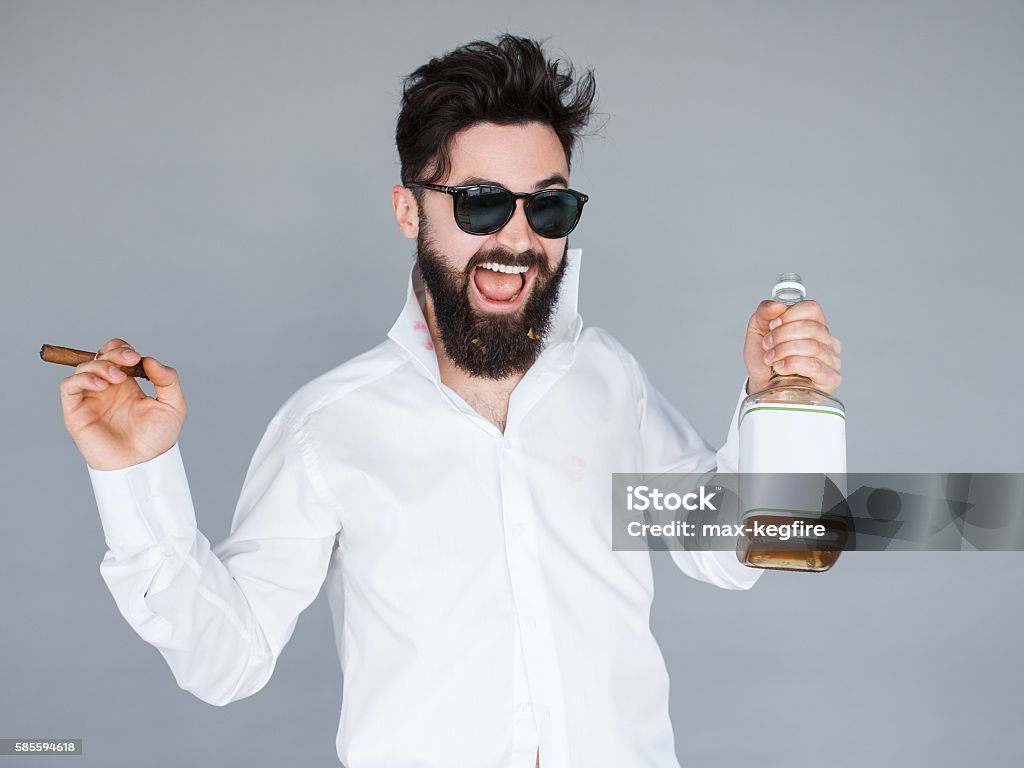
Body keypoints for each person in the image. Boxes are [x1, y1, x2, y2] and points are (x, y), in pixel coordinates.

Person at [59, 34, 842, 768]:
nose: (516, 236)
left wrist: (774, 403)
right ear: (409, 210)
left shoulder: (609, 380)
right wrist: (139, 478)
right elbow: (225, 661)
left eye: (549, 206)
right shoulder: (329, 428)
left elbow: (729, 550)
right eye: (479, 203)